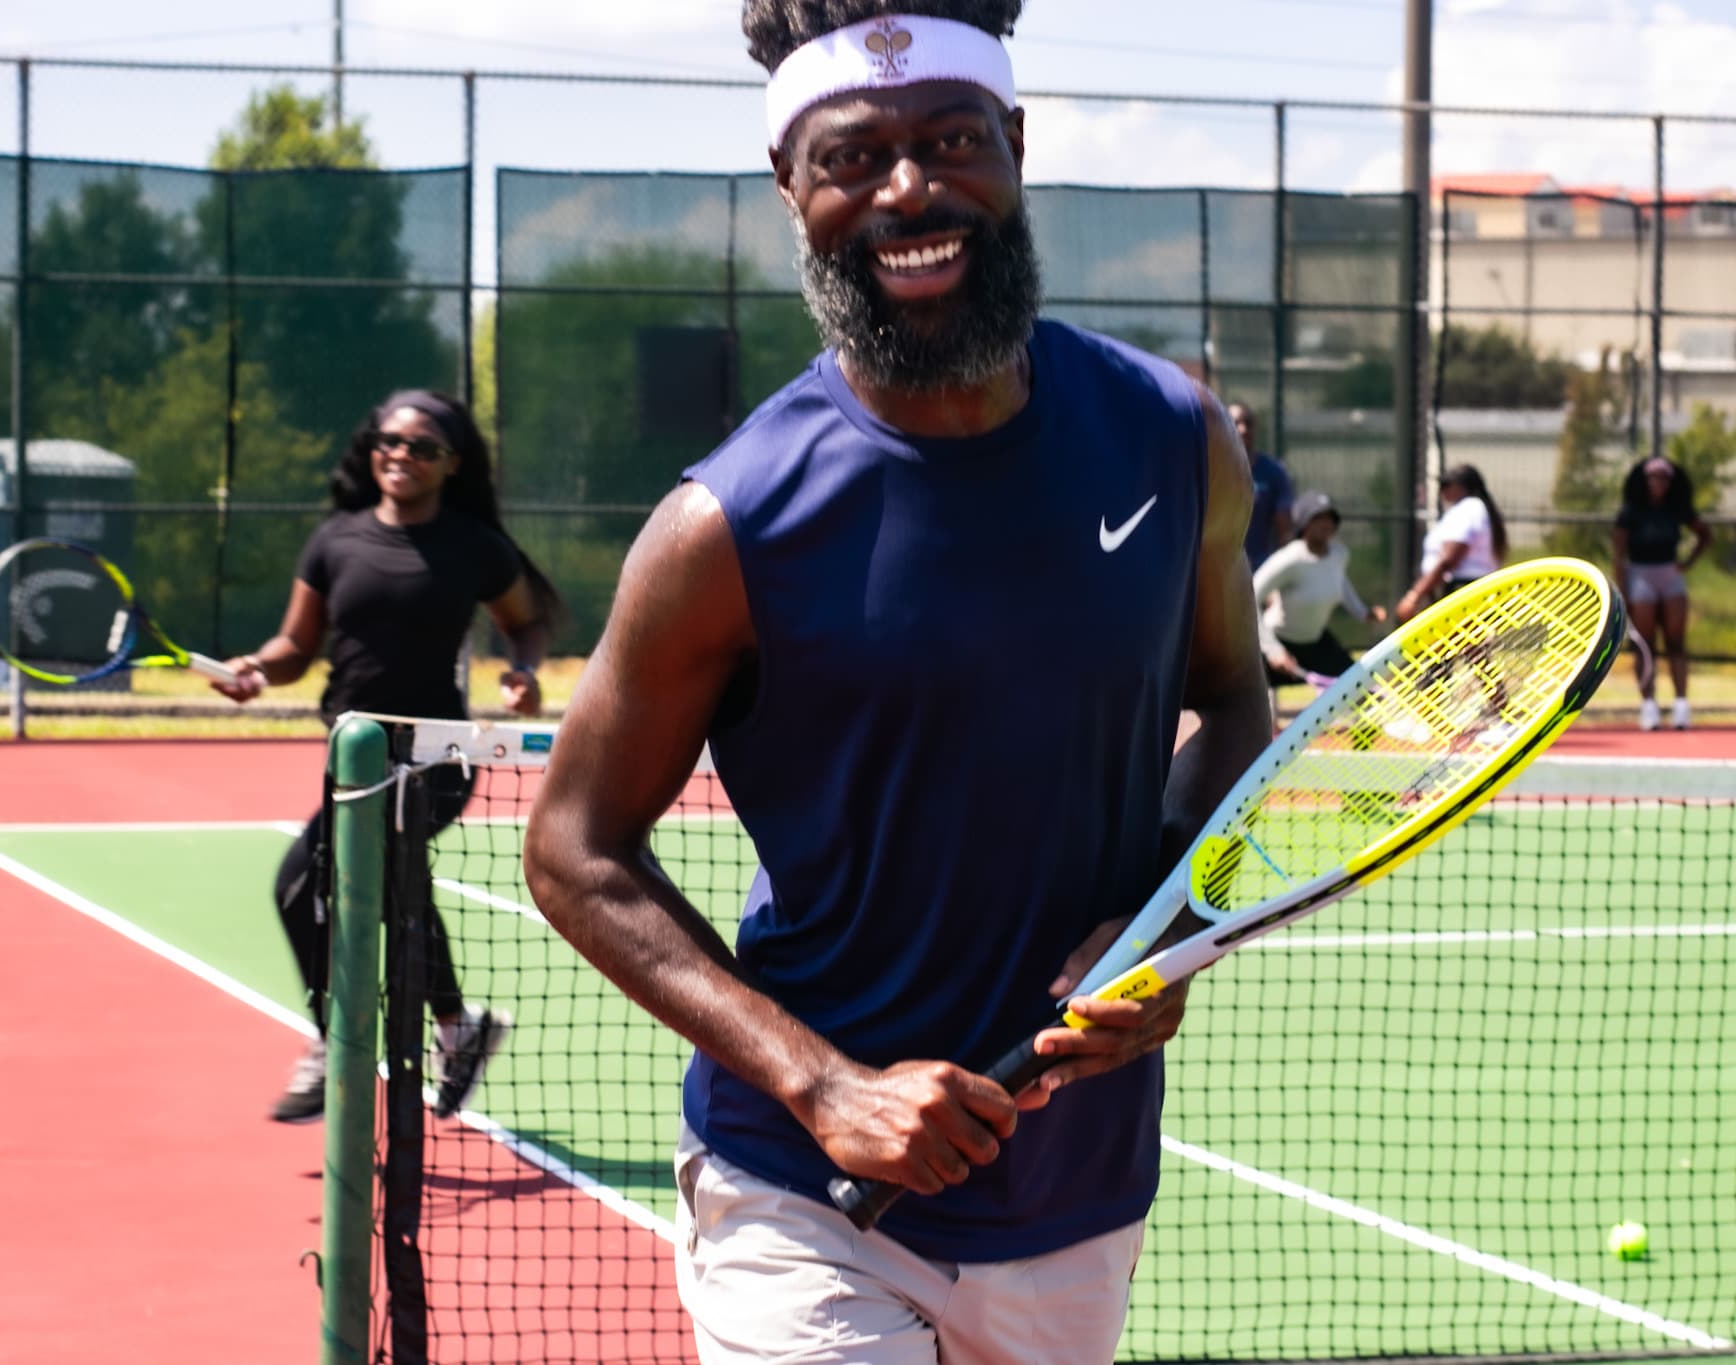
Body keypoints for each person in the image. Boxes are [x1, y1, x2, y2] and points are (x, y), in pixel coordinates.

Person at [522, 4, 1273, 1361]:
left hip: (1078, 1196)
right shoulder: (727, 526)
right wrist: (825, 1085)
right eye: (853, 157)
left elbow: (1230, 701)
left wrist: (1167, 918)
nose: (909, 190)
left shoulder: (1173, 436)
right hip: (806, 1197)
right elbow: (574, 847)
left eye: (949, 142)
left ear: (1017, 148)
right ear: (791, 192)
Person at [215, 388, 561, 1123]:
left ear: (451, 464)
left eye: (422, 447)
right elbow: (295, 647)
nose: (401, 455)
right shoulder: (335, 540)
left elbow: (524, 624)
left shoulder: (474, 548)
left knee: (311, 880)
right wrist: (254, 668)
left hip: (437, 757)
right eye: (389, 442)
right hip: (355, 754)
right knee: (387, 890)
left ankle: (333, 1042)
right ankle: (458, 1027)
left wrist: (523, 673)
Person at [1613, 454, 1712, 731]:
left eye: (1664, 478)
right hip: (1640, 575)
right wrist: (1623, 590)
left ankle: (1681, 705)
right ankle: (1649, 706)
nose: (1659, 483)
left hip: (1669, 575)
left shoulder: (1675, 509)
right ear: (1645, 481)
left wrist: (1688, 562)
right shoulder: (1631, 512)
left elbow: (1705, 534)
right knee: (1645, 645)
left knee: (1676, 641)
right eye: (1654, 478)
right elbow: (1619, 554)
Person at [1254, 490, 1388, 688]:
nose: (1326, 523)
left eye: (1330, 517)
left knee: (1359, 687)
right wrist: (1273, 650)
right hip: (1280, 644)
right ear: (1304, 523)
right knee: (1253, 705)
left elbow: (1340, 583)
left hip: (1317, 643)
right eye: (1317, 517)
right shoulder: (1289, 559)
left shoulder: (1339, 555)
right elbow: (1250, 597)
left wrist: (1363, 613)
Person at [1397, 463, 1505, 621]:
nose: (1442, 490)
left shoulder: (1468, 509)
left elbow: (1450, 558)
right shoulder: (1475, 509)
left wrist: (1414, 596)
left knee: (1461, 645)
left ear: (1463, 487)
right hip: (1471, 590)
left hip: (1464, 590)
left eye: (1446, 485)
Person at [1232, 402, 1294, 568]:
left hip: (1261, 569)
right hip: (1218, 570)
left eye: (1248, 423)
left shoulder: (1274, 472)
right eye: (1236, 423)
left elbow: (1284, 531)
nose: (1243, 429)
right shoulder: (1210, 470)